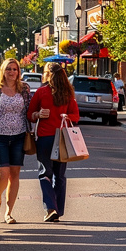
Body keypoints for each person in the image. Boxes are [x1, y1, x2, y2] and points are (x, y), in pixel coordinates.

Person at [0, 58, 32, 224]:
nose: (12, 72)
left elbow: (30, 110)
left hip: (19, 136)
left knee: (14, 175)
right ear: (3, 70)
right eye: (8, 69)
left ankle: (8, 213)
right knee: (2, 173)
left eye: (15, 69)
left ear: (18, 72)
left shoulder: (24, 89)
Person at [30, 63, 80, 222]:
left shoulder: (41, 92)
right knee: (59, 175)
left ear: (48, 75)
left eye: (44, 72)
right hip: (62, 138)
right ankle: (57, 209)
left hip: (45, 138)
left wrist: (38, 114)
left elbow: (29, 114)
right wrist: (66, 116)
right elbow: (76, 116)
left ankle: (51, 208)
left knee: (45, 173)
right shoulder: (68, 94)